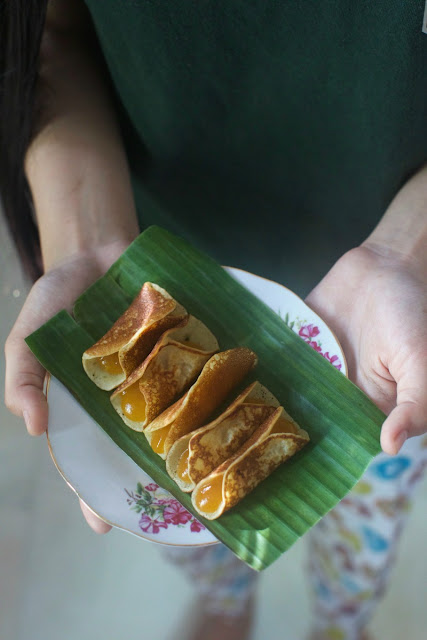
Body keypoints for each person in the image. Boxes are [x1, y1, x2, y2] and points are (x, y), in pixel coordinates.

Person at [2, 1, 426, 639]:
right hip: (151, 241)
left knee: (362, 534)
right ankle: (228, 604)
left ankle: (342, 623)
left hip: (383, 333)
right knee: (180, 525)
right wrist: (85, 240)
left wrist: (409, 254)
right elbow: (49, 31)